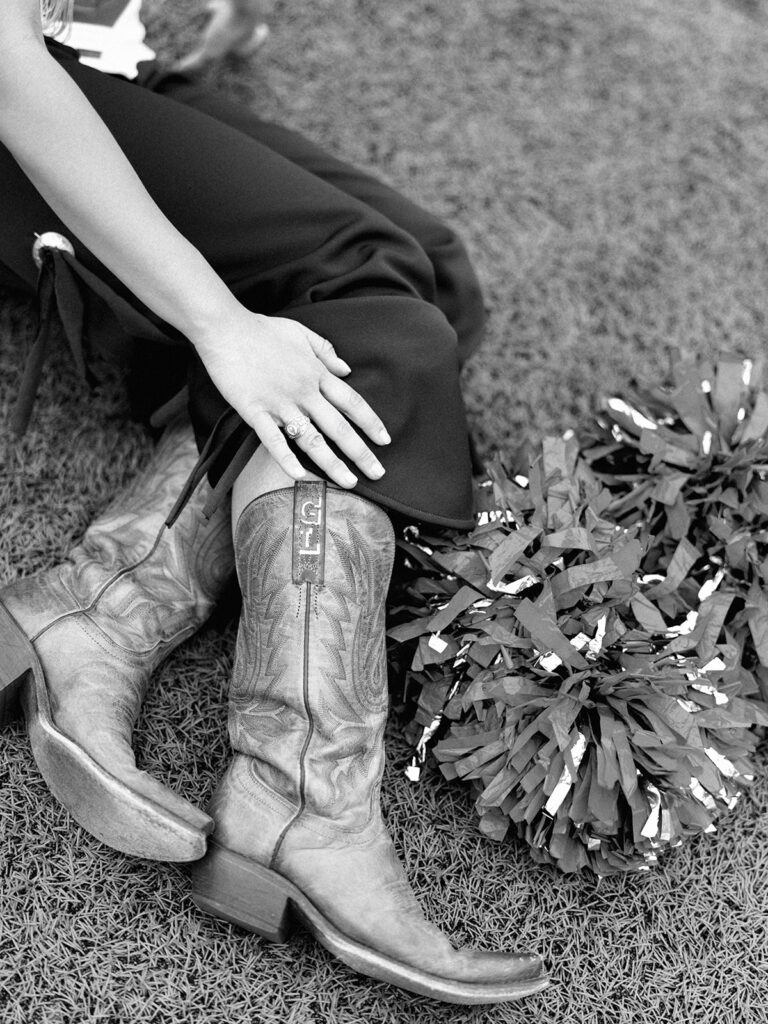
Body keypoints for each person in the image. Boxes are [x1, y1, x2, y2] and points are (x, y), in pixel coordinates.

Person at [0, 0, 549, 1005]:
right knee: (369, 294)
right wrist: (221, 325)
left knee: (434, 277)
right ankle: (302, 802)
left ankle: (99, 609)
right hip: (14, 84)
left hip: (94, 52)